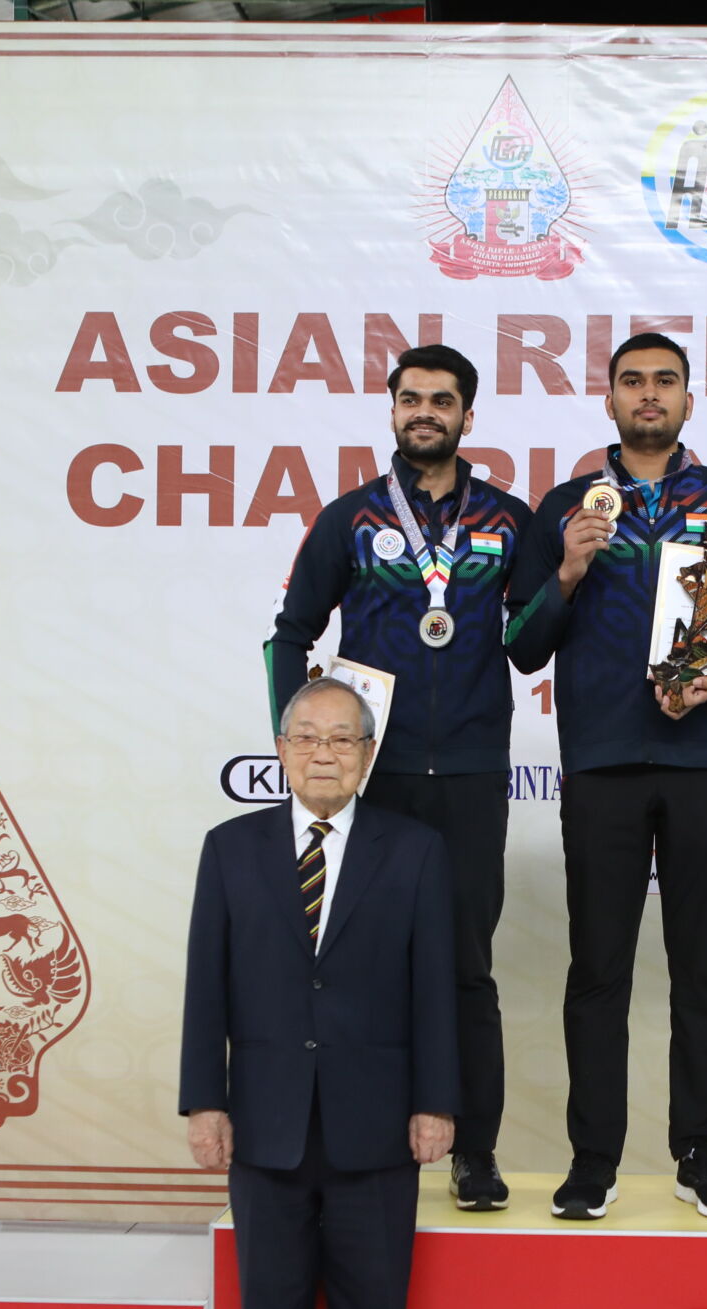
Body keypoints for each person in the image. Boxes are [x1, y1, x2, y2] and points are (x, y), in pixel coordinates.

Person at [506, 332, 707, 1221]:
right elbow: (522, 645)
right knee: (598, 968)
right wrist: (568, 568)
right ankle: (592, 1158)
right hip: (602, 763)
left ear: (687, 400)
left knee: (700, 969)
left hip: (704, 762)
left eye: (664, 381)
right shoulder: (565, 505)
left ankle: (698, 1150)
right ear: (609, 400)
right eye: (631, 381)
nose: (648, 394)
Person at [181, 678, 459, 1309]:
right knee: (272, 1300)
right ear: (281, 750)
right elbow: (207, 986)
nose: (324, 753)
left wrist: (436, 1101)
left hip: (377, 1117)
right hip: (264, 1117)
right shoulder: (229, 849)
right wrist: (204, 1100)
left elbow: (434, 989)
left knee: (372, 1300)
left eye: (342, 738)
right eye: (307, 736)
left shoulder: (414, 850)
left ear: (368, 755)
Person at [266, 344, 535, 1212]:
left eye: (442, 400)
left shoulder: (508, 519)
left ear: (468, 415)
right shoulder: (350, 519)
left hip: (470, 772)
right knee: (362, 964)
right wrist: (295, 738)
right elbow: (291, 633)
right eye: (411, 398)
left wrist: (565, 575)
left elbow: (532, 642)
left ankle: (475, 1151)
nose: (426, 412)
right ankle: (368, 1141)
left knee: (467, 970)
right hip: (371, 779)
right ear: (392, 410)